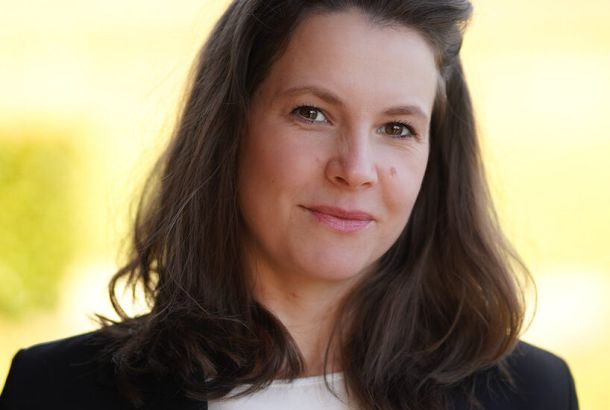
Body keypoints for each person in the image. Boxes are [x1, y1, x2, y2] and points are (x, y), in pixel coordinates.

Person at [0, 1, 579, 409]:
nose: (355, 168)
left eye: (397, 128)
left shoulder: (533, 394)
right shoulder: (54, 391)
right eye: (312, 113)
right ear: (230, 128)